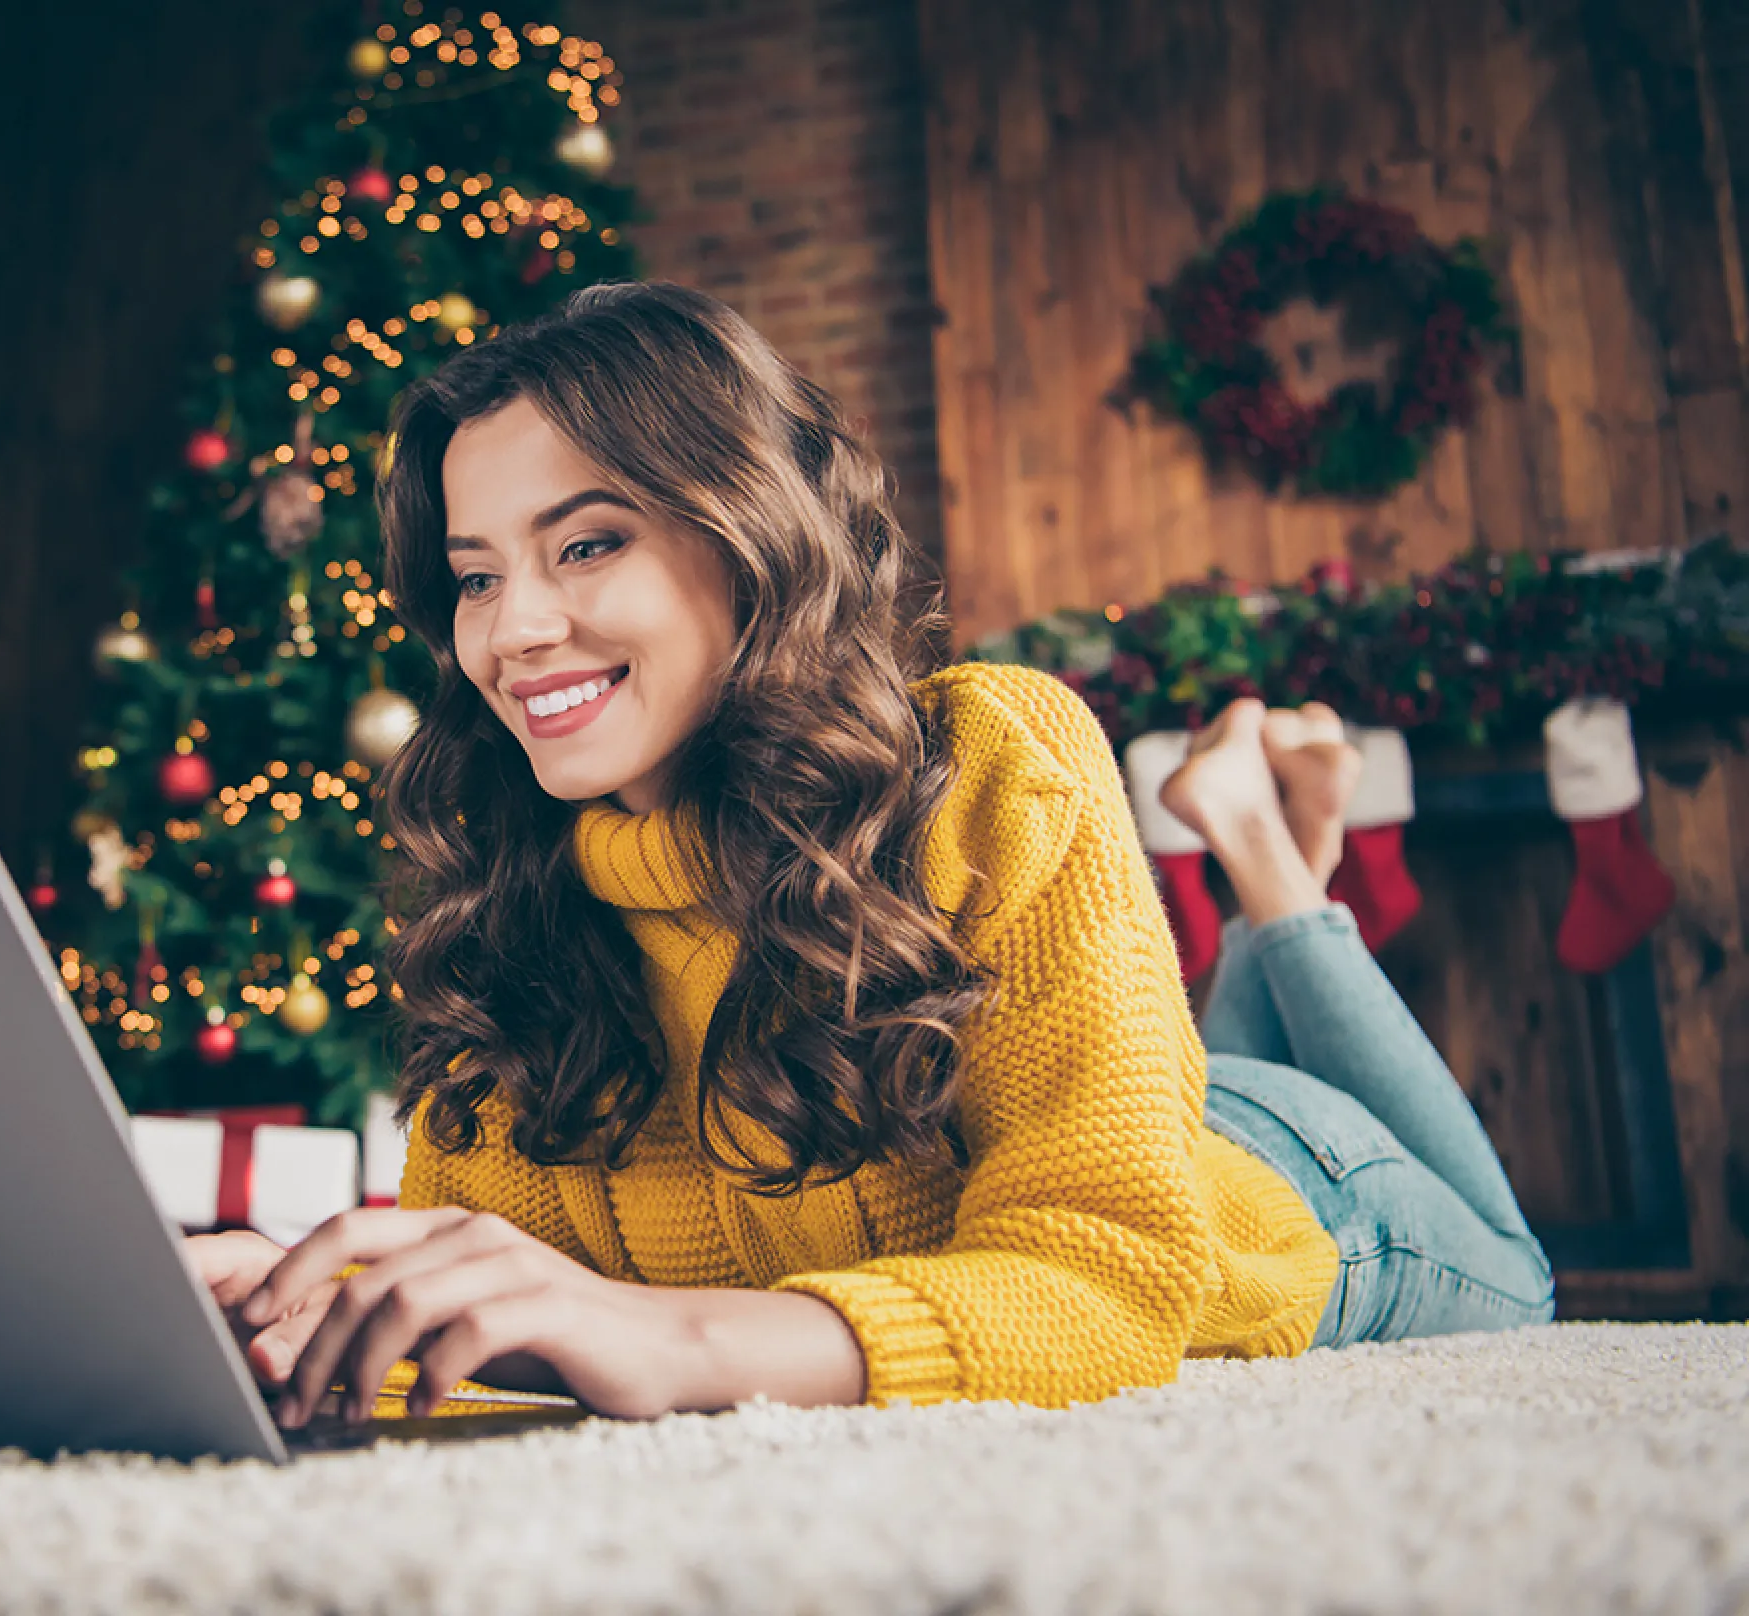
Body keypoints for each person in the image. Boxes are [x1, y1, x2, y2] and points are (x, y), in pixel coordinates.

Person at [184, 280, 1554, 1430]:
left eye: (587, 544)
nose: (514, 631)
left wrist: (679, 1344)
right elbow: (526, 1312)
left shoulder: (988, 755)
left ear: (751, 535)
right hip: (1115, 1101)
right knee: (1174, 1074)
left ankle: (1273, 871)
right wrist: (305, 1308)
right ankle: (1268, 858)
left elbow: (1110, 1275)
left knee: (1523, 1275)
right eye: (478, 576)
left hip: (1294, 1190)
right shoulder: (513, 905)